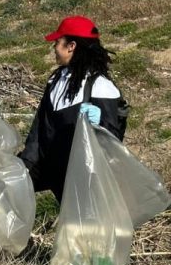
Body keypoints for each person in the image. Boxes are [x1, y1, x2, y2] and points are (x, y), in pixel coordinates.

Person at [20, 16, 123, 204]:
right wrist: (25, 164)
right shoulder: (56, 80)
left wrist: (100, 123)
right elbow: (40, 128)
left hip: (83, 176)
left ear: (71, 46)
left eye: (58, 42)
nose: (54, 47)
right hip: (52, 167)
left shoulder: (100, 86)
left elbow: (113, 139)